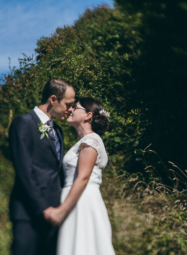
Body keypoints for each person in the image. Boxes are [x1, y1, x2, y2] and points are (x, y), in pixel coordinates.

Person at [8, 78, 76, 255]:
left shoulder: (58, 131)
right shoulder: (23, 124)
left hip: (55, 213)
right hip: (28, 212)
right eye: (68, 105)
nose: (70, 110)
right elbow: (25, 170)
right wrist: (44, 208)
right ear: (53, 99)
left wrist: (60, 209)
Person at [44, 97, 116, 255]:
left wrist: (61, 211)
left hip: (82, 200)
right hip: (76, 199)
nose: (70, 109)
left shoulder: (91, 140)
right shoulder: (84, 141)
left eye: (75, 107)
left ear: (88, 115)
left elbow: (83, 177)